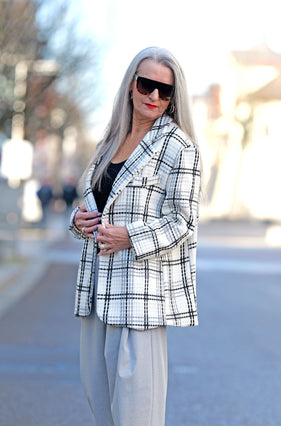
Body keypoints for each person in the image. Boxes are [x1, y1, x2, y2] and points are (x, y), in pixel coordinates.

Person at [69, 46, 201, 426]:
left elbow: (183, 222)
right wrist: (78, 221)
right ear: (131, 86)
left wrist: (131, 237)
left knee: (136, 417)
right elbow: (95, 201)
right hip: (95, 294)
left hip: (139, 300)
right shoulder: (110, 141)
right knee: (101, 410)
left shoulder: (179, 148)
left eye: (165, 90)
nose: (154, 96)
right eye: (146, 85)